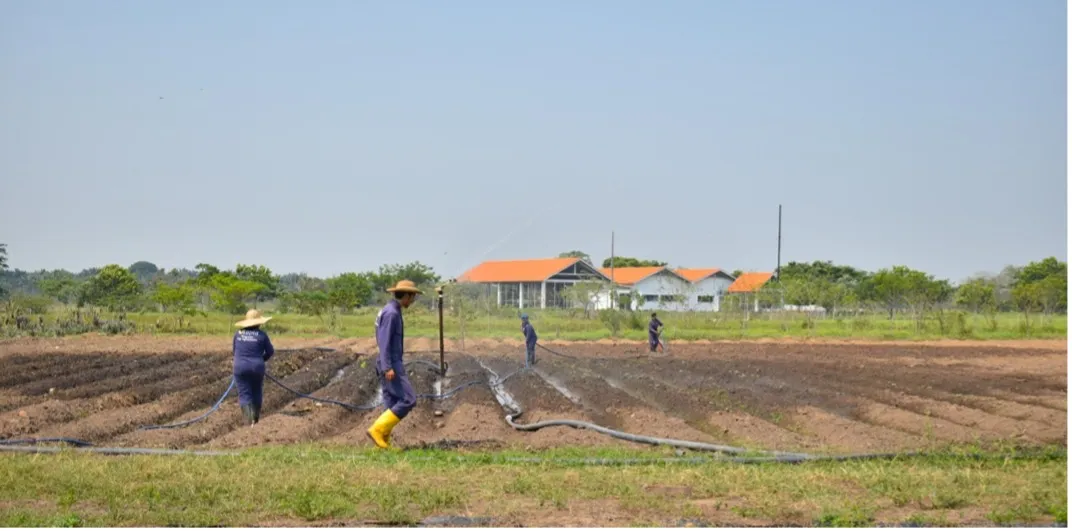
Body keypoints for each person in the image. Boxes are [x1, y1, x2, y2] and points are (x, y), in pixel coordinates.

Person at [367, 279, 422, 449]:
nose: (412, 301)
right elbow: (384, 342)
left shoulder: (392, 310)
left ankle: (383, 443)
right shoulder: (391, 313)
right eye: (412, 297)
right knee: (408, 399)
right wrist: (387, 367)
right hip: (391, 363)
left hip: (389, 362)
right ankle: (377, 430)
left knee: (391, 403)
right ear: (406, 295)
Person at [232, 309, 275, 426]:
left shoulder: (238, 334)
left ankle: (248, 422)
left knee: (245, 394)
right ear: (259, 323)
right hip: (257, 367)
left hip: (240, 367)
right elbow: (270, 351)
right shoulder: (262, 335)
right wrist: (261, 360)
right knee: (256, 391)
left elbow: (235, 351)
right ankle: (255, 421)